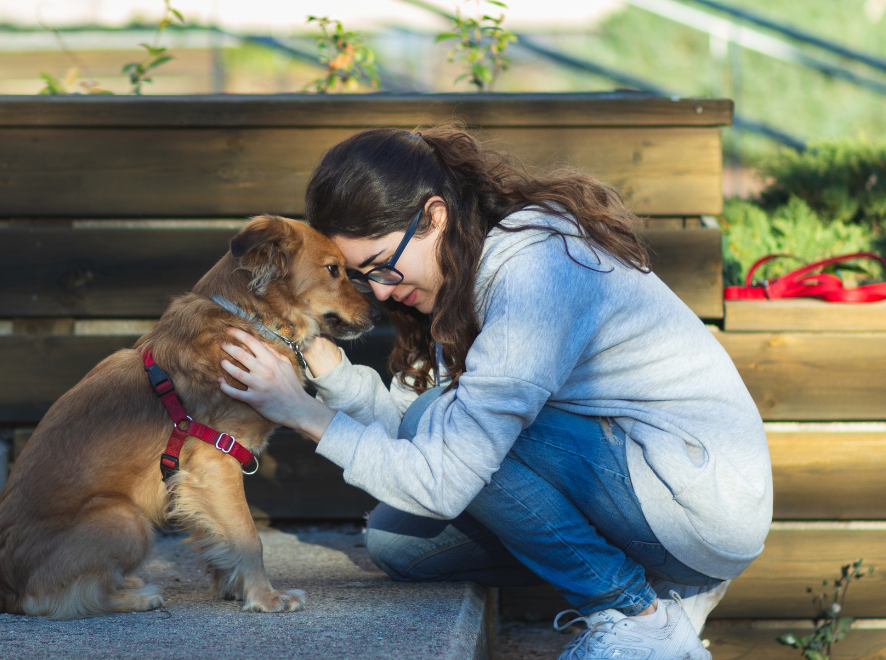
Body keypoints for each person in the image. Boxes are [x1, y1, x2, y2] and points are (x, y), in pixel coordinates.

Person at [217, 125, 771, 660]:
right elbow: (412, 434)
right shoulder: (455, 276)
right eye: (363, 276)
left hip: (694, 495)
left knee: (443, 431)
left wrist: (304, 413)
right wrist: (326, 369)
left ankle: (638, 617)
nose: (381, 291)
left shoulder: (536, 271)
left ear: (434, 215)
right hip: (638, 490)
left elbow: (442, 467)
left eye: (382, 264)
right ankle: (664, 586)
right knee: (398, 541)